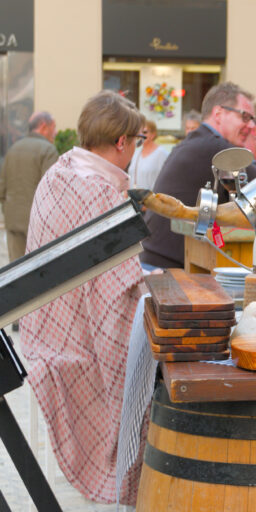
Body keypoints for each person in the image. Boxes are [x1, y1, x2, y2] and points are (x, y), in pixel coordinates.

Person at [19, 90, 146, 505]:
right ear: (122, 142)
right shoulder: (101, 191)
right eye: (137, 142)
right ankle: (140, 473)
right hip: (76, 341)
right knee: (157, 361)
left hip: (41, 323)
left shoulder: (60, 171)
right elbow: (120, 292)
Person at [140, 82, 256, 270]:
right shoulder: (216, 147)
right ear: (218, 114)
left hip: (159, 260)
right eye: (245, 117)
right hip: (169, 269)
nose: (251, 126)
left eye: (253, 119)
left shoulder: (199, 141)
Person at [0, 111, 58, 263]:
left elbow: (2, 188)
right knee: (38, 271)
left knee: (15, 269)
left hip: (13, 220)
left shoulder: (13, 149)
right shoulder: (48, 150)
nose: (55, 132)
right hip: (37, 222)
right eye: (54, 127)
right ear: (44, 126)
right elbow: (52, 191)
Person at [127, 119, 168, 190]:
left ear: (153, 134)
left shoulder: (161, 153)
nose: (141, 135)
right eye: (139, 132)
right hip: (134, 197)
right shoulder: (136, 152)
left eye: (145, 132)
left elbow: (166, 179)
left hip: (152, 198)